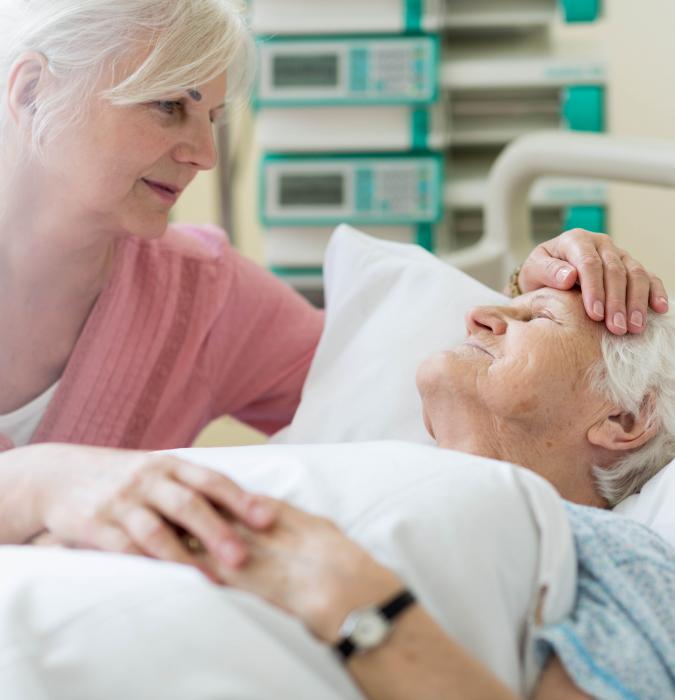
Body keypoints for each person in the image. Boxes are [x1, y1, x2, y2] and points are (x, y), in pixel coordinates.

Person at [0, 0, 670, 578]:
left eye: (215, 117)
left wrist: (534, 297)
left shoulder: (201, 300)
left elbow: (429, 395)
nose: (204, 152)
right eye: (169, 105)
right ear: (30, 90)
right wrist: (42, 483)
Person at [27, 287, 675, 699]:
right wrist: (55, 481)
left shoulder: (619, 565)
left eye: (536, 315)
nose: (480, 311)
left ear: (622, 420)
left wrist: (349, 598)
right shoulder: (322, 462)